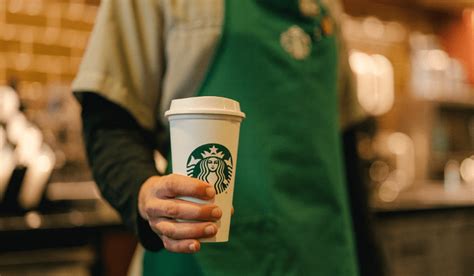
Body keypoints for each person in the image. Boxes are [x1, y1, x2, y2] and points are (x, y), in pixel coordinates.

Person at [73, 0, 382, 275]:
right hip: (206, 262)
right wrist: (143, 192)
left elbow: (344, 149)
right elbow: (109, 122)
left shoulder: (330, 8)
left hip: (323, 257)